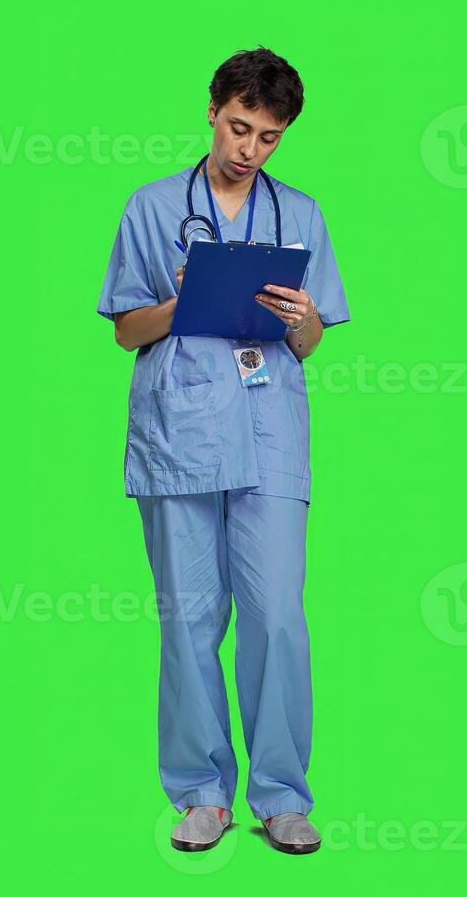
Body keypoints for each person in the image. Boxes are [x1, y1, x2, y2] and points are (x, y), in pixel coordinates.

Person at [96, 47, 350, 856]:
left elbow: (308, 343)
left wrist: (298, 315)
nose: (250, 149)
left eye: (269, 137)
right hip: (180, 434)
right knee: (189, 619)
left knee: (276, 615)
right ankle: (202, 792)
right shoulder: (150, 206)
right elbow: (125, 328)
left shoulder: (300, 214)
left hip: (269, 431)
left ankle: (280, 795)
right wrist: (186, 298)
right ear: (212, 110)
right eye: (240, 127)